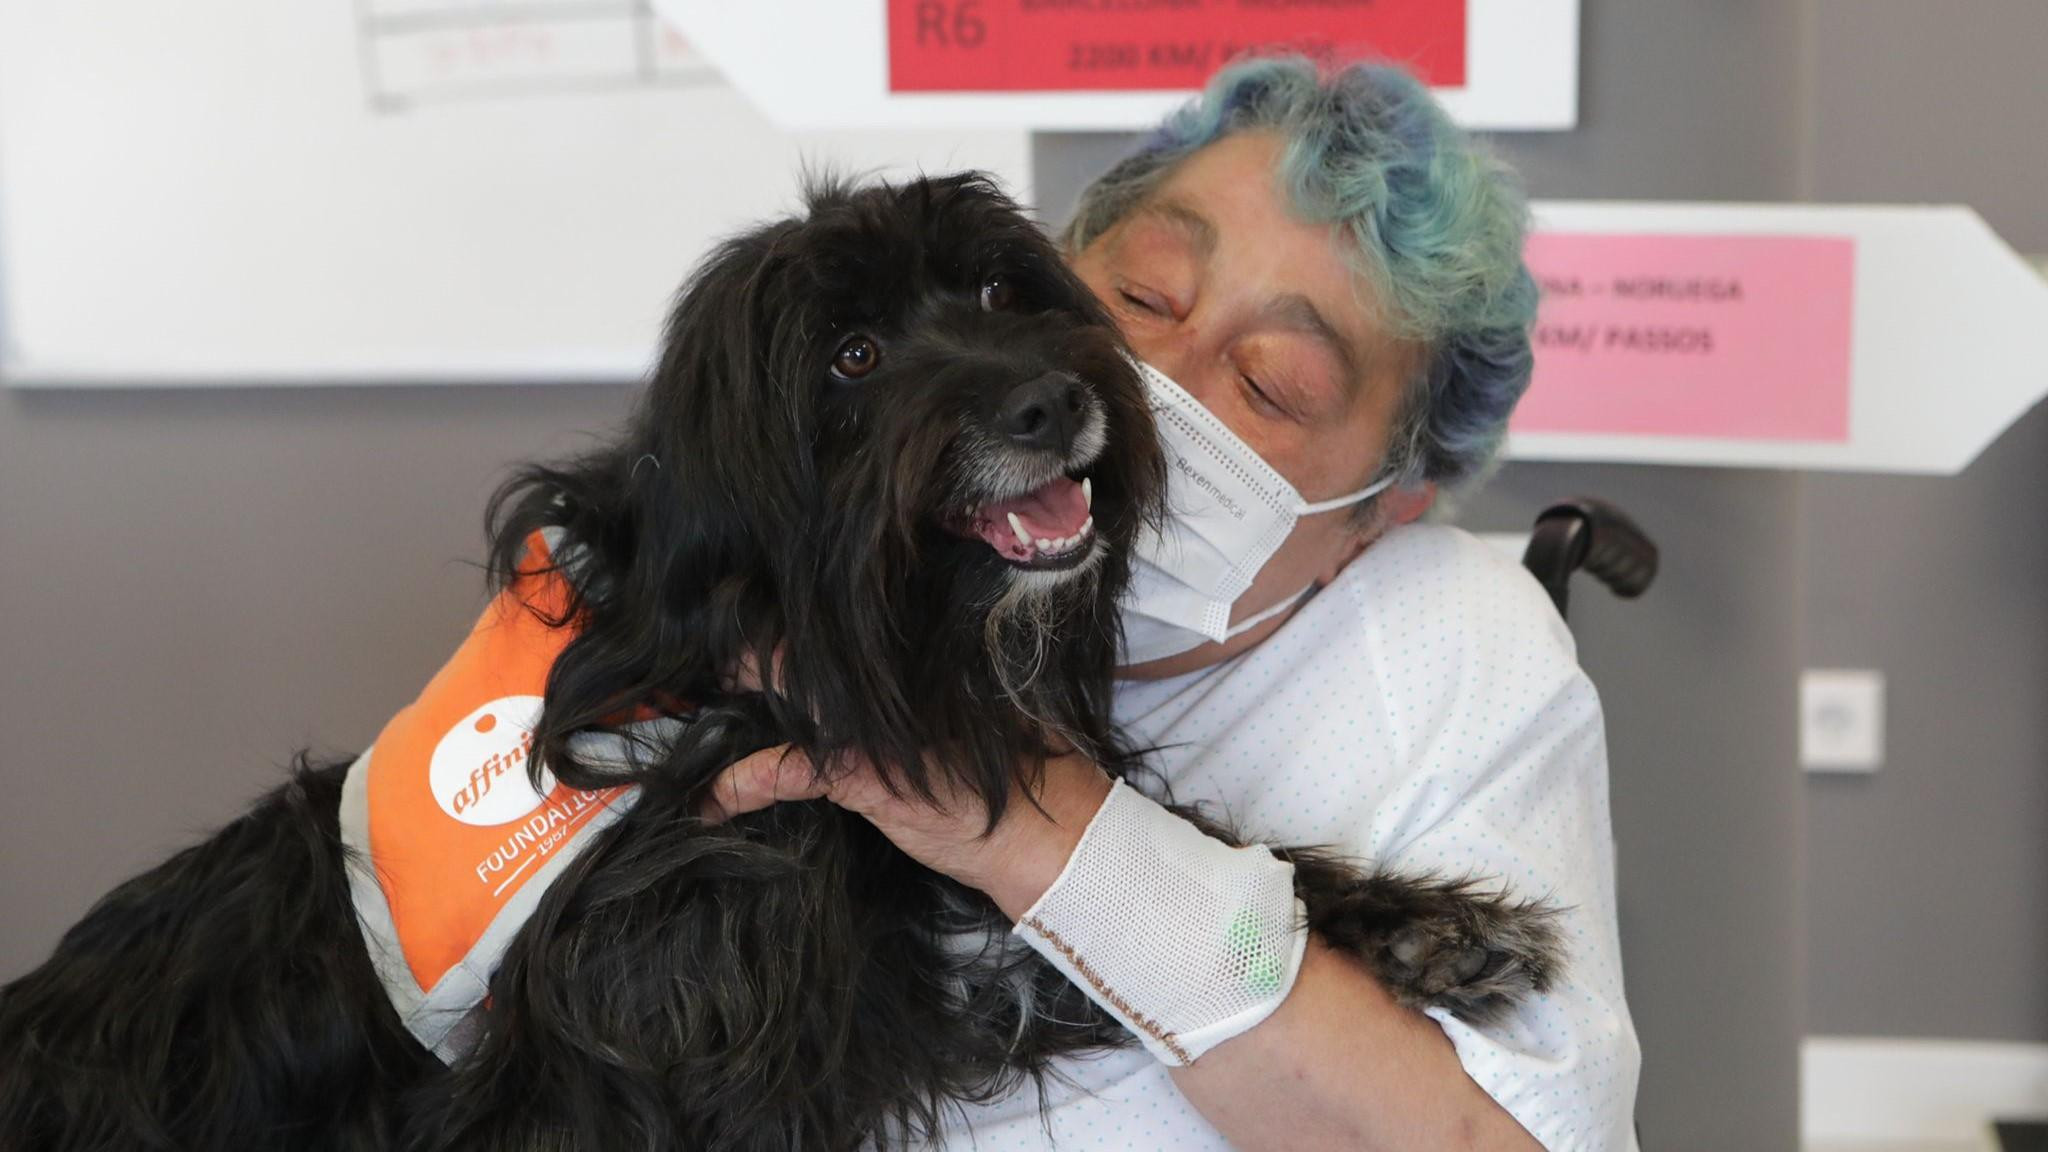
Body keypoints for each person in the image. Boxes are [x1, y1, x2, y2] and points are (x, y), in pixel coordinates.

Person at [707, 58, 1641, 1151]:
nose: (1156, 379)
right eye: (1139, 297)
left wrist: (1034, 832)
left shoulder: (1449, 648)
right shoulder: (797, 529)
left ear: (1381, 510)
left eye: (1270, 386)